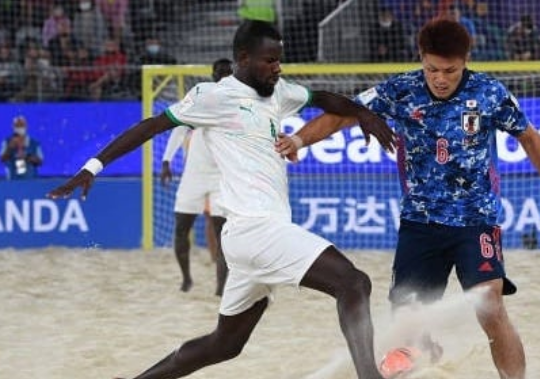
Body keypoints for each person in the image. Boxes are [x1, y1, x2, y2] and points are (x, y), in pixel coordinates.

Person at [47, 20, 396, 379]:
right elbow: (149, 126)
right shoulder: (212, 96)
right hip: (256, 231)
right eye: (269, 60)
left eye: (279, 60)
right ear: (243, 59)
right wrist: (92, 166)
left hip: (249, 238)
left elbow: (321, 97)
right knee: (354, 283)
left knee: (225, 344)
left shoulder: (277, 91)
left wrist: (363, 113)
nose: (277, 68)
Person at [279, 18, 540, 379]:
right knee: (405, 321)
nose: (441, 78)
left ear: (465, 61)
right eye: (432, 69)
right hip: (420, 225)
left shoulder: (489, 93)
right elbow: (344, 115)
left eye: (450, 70)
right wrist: (299, 140)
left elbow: (530, 138)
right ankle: (425, 348)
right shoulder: (401, 89)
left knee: (489, 306)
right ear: (421, 59)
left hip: (475, 221)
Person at [160, 58, 232, 296]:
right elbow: (179, 126)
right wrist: (166, 160)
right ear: (212, 74)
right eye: (219, 71)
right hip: (194, 176)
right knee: (181, 229)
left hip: (222, 177)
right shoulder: (200, 96)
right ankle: (186, 279)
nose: (222, 75)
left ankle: (221, 288)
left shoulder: (239, 101)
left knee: (223, 235)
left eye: (227, 72)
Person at [0, 116, 44, 180]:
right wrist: (10, 148)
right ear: (13, 127)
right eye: (17, 126)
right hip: (12, 182)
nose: (19, 128)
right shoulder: (6, 142)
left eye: (21, 125)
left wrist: (27, 156)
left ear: (26, 127)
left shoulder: (34, 144)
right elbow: (2, 159)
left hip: (30, 181)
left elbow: (40, 162)